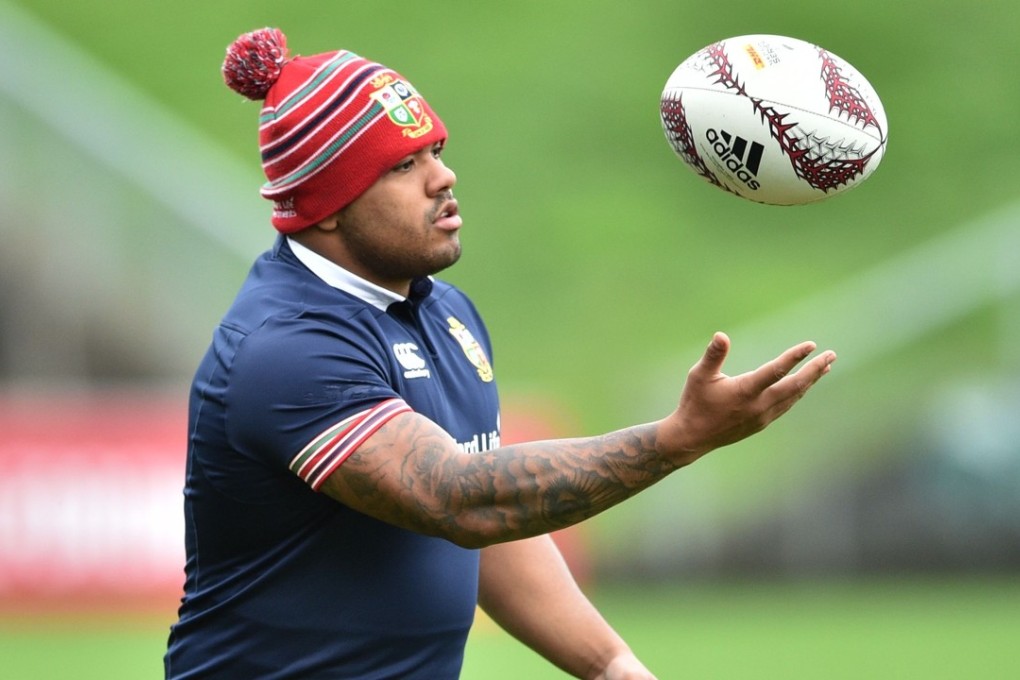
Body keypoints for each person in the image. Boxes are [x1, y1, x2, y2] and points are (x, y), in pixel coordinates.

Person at [164, 27, 836, 680]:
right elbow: (457, 499)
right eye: (403, 165)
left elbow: (490, 530)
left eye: (436, 150)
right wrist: (676, 440)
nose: (444, 177)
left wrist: (609, 664)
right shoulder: (287, 344)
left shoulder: (445, 311)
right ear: (327, 206)